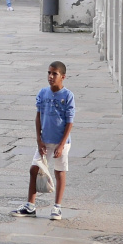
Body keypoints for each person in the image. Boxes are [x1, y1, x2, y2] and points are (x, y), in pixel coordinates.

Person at [12, 61, 74, 220]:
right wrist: (39, 140)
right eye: (49, 73)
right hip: (45, 140)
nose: (51, 77)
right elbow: (38, 117)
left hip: (61, 142)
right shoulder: (43, 93)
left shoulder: (67, 96)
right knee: (34, 169)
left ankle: (57, 207)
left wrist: (61, 145)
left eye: (55, 74)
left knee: (59, 172)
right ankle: (30, 206)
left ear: (63, 77)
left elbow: (69, 122)